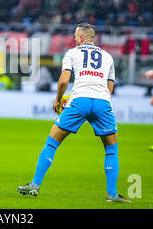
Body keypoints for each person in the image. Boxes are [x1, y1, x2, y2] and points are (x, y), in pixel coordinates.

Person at [17, 23, 130, 203]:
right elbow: (110, 86)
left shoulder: (72, 53)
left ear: (80, 37)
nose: (74, 39)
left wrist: (58, 99)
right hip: (102, 102)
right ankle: (112, 194)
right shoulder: (108, 57)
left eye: (75, 36)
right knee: (111, 149)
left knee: (52, 141)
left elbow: (63, 81)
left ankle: (35, 185)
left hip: (79, 101)